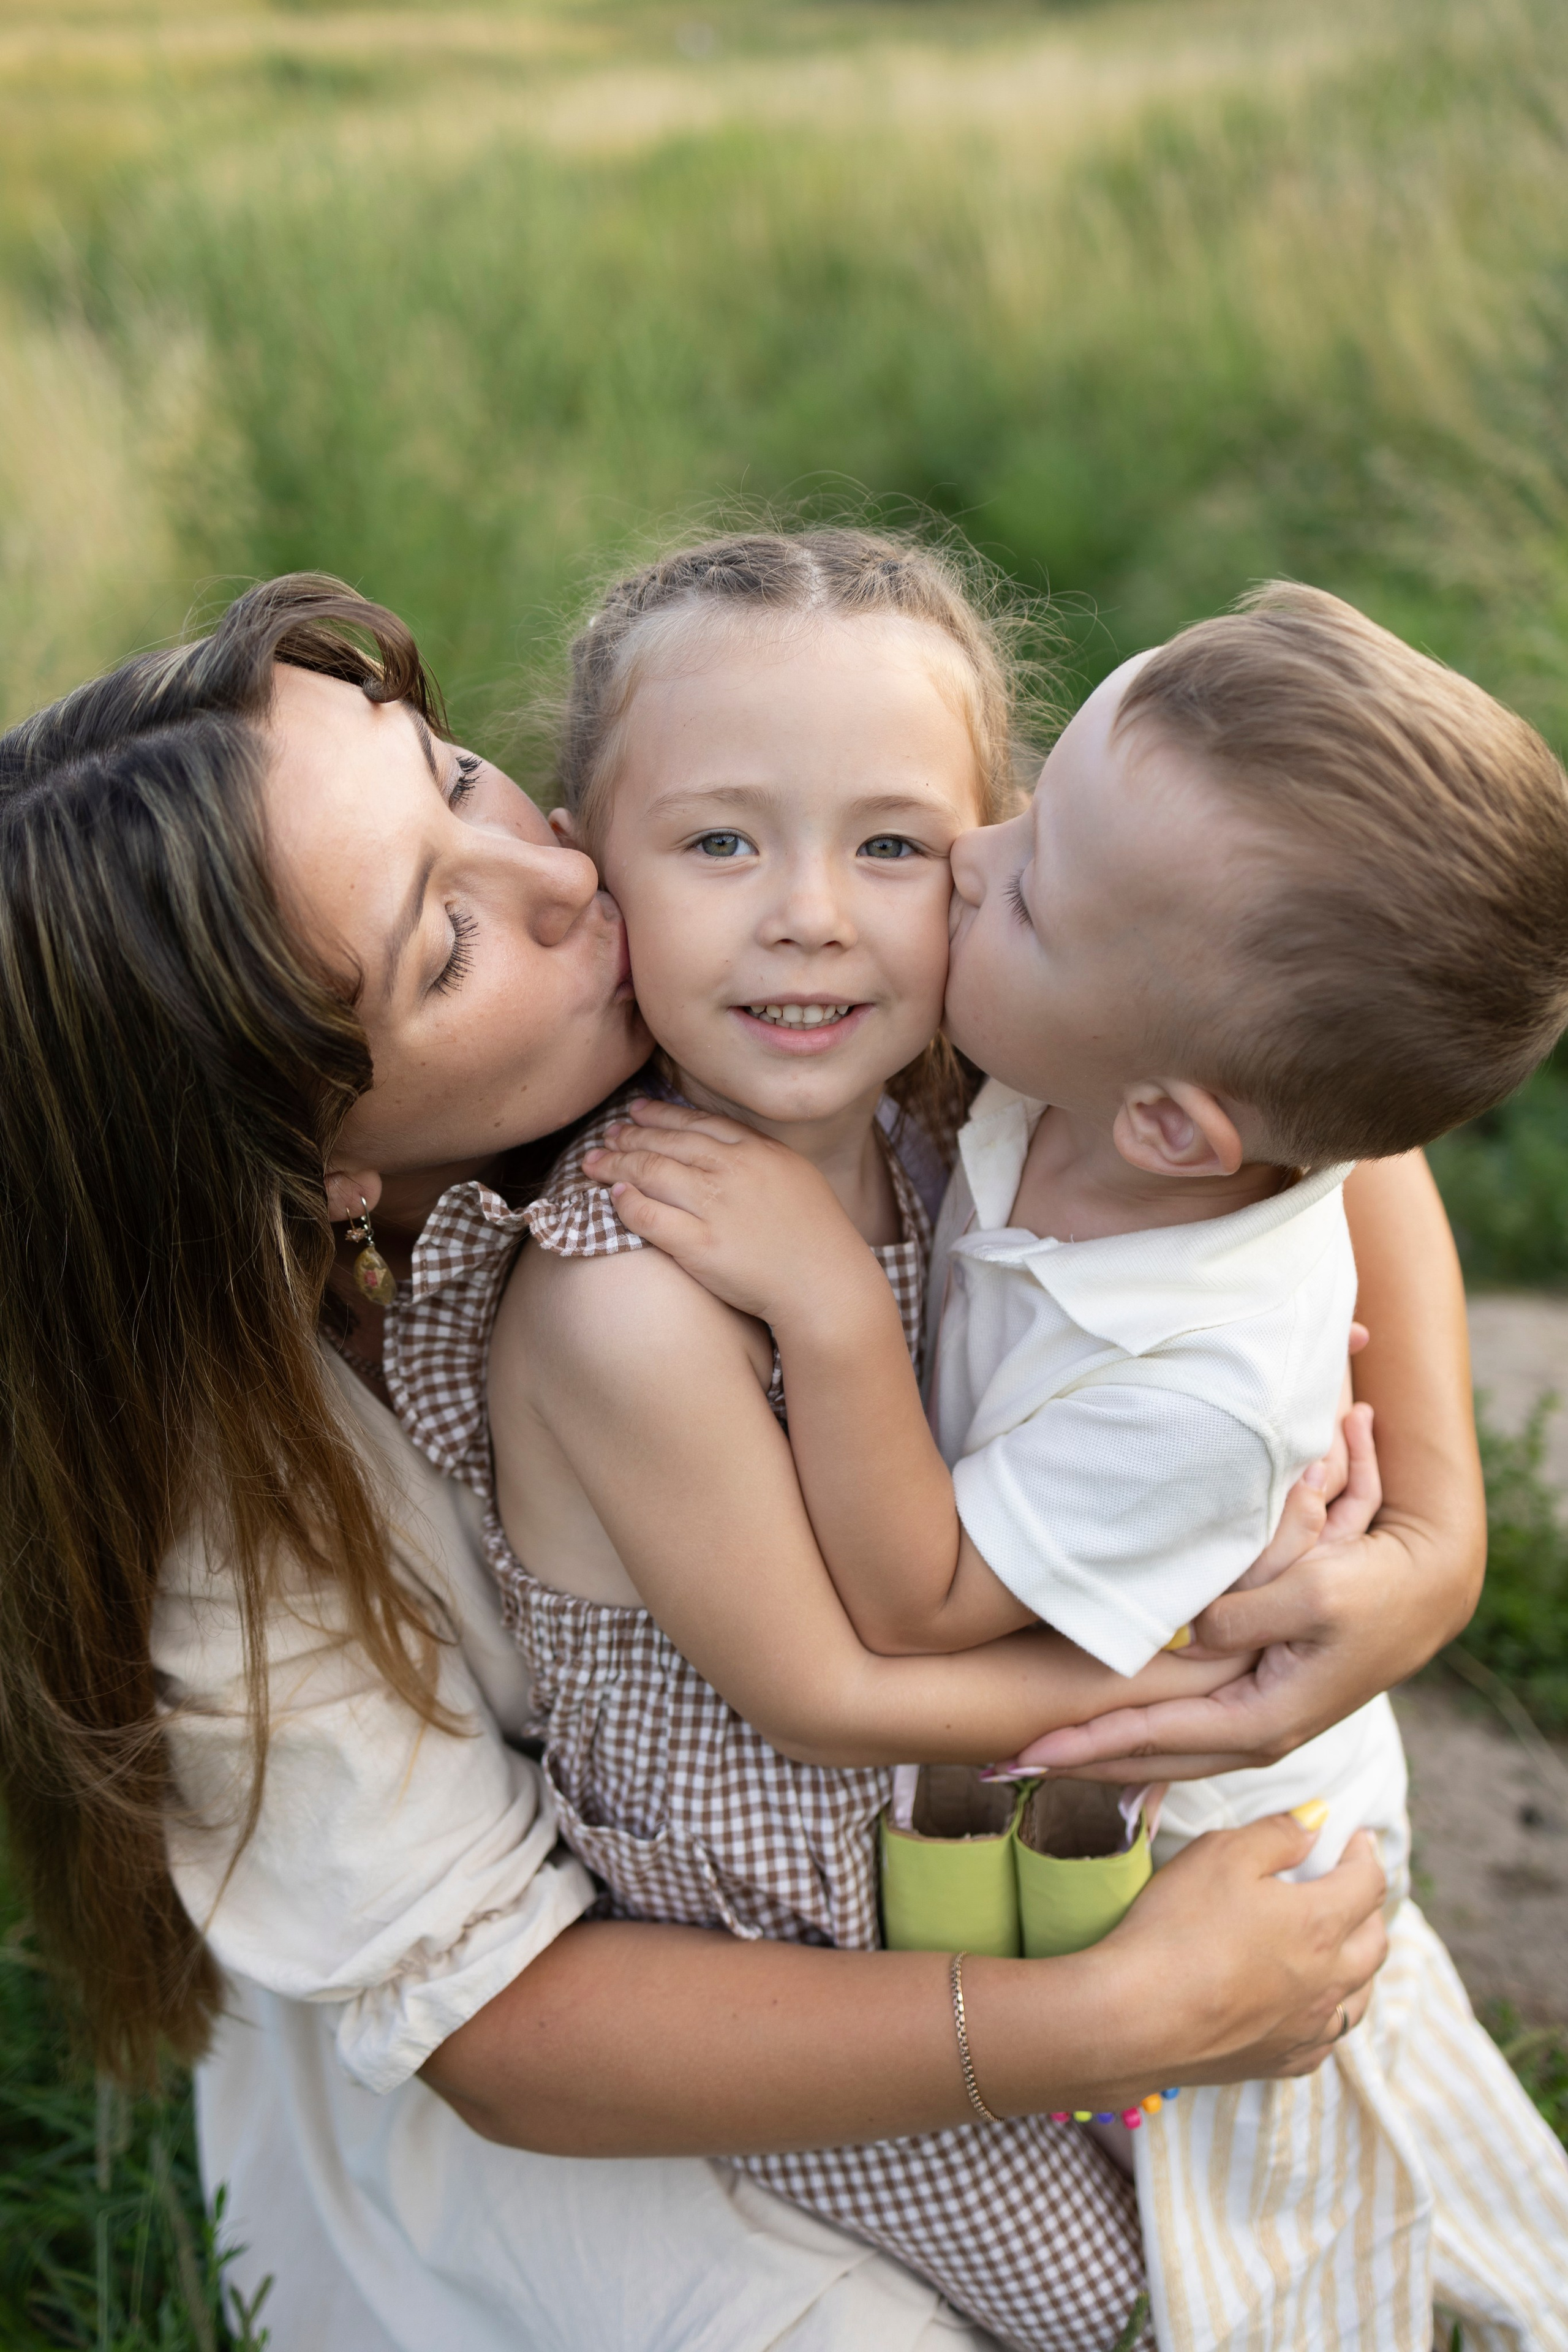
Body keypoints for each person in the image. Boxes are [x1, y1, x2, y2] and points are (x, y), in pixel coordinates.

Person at [0, 573, 1469, 2352]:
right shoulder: (241, 1509)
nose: (560, 872)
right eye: (447, 944)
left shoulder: (798, 976)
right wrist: (1118, 2018)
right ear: (312, 1167)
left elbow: (1285, 1073)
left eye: (455, 776)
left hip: (936, 1863)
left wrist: (1429, 1547)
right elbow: (507, 2027)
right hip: (613, 2019)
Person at [594, 582, 1568, 2350]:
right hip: (1049, 1730)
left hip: (1196, 1818)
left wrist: (829, 1303)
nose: (975, 858)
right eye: (1023, 812)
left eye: (1028, 883)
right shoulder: (1118, 1064)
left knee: (1238, 2222)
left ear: (1175, 1128)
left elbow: (922, 1604)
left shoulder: (1193, 1384)